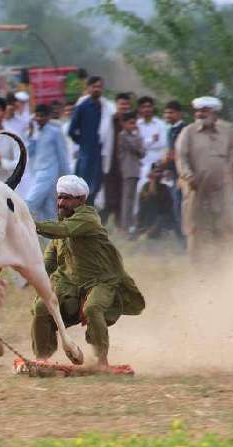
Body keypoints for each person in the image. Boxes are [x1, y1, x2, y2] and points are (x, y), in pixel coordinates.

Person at [31, 175, 145, 368]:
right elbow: (47, 264)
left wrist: (27, 223)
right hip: (68, 284)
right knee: (42, 308)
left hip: (100, 281)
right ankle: (42, 359)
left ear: (81, 199)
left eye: (67, 198)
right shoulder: (60, 230)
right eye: (59, 197)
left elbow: (64, 229)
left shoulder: (88, 218)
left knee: (92, 308)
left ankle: (101, 361)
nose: (61, 203)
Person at [175, 96, 233, 263]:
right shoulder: (188, 132)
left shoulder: (227, 132)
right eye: (198, 111)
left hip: (221, 188)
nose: (200, 114)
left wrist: (227, 168)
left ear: (215, 113)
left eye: (205, 111)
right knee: (195, 228)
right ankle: (197, 266)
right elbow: (181, 158)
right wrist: (188, 176)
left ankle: (221, 265)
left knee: (223, 227)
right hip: (196, 188)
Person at [69, 76, 114, 205]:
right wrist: (83, 142)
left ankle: (89, 211)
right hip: (86, 153)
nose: (96, 89)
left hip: (100, 152)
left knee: (96, 185)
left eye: (99, 87)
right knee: (83, 185)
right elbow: (71, 130)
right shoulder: (82, 107)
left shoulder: (106, 108)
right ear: (88, 88)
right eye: (94, 86)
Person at [24, 104, 70, 224]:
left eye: (42, 116)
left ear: (48, 117)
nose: (39, 118)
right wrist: (30, 134)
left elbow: (63, 155)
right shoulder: (35, 132)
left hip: (49, 174)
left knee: (29, 202)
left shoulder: (55, 132)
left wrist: (67, 177)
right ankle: (52, 235)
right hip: (36, 173)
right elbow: (30, 152)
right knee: (47, 209)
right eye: (37, 116)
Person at [99, 93, 133, 228]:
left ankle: (121, 225)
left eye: (126, 104)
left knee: (123, 195)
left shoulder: (131, 122)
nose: (124, 107)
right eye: (121, 104)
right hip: (111, 163)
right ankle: (102, 223)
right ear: (116, 105)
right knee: (109, 195)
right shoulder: (110, 121)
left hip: (126, 164)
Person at [117, 111, 146, 236]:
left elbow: (142, 153)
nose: (133, 126)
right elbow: (134, 148)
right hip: (127, 170)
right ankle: (125, 226)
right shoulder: (122, 136)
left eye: (134, 123)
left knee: (132, 199)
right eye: (131, 123)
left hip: (135, 171)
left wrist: (138, 137)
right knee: (127, 199)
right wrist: (138, 137)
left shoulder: (136, 137)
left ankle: (130, 225)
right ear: (124, 124)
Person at [162, 100, 187, 238]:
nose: (167, 115)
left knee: (182, 206)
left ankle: (186, 239)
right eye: (166, 113)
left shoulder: (184, 130)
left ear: (179, 114)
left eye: (171, 112)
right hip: (173, 174)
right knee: (175, 206)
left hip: (183, 174)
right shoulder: (170, 130)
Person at [135, 96, 168, 196]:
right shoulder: (136, 125)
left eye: (149, 106)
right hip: (141, 161)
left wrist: (145, 143)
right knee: (140, 189)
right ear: (139, 109)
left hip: (157, 160)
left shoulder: (161, 124)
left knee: (157, 190)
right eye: (143, 107)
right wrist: (151, 140)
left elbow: (162, 143)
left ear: (153, 108)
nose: (146, 109)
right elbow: (136, 145)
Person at [136, 163, 177, 238]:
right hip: (147, 220)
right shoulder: (145, 187)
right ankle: (144, 230)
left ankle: (156, 231)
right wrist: (152, 181)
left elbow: (167, 209)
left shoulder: (164, 188)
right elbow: (143, 206)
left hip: (161, 220)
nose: (158, 175)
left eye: (160, 172)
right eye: (156, 172)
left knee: (164, 217)